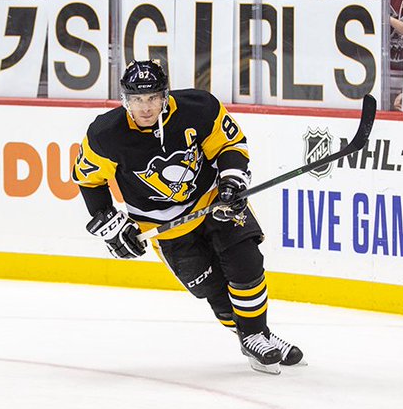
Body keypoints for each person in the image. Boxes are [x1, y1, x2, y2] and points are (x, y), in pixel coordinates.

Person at [72, 59, 304, 373]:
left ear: (164, 95)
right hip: (162, 226)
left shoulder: (198, 108)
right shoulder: (106, 134)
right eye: (137, 100)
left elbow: (229, 144)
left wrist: (232, 180)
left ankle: (255, 334)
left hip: (212, 200)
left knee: (245, 259)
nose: (145, 107)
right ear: (124, 99)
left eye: (153, 97)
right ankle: (256, 334)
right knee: (212, 289)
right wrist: (111, 224)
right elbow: (88, 180)